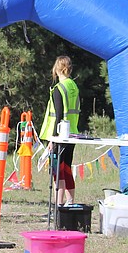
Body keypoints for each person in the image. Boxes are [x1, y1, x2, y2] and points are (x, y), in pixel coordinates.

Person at [39, 56, 80, 206]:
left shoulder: (58, 89)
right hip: (73, 133)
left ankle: (59, 205)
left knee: (58, 170)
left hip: (60, 135)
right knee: (67, 168)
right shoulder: (74, 86)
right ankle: (70, 202)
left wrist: (52, 139)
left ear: (57, 69)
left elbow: (58, 115)